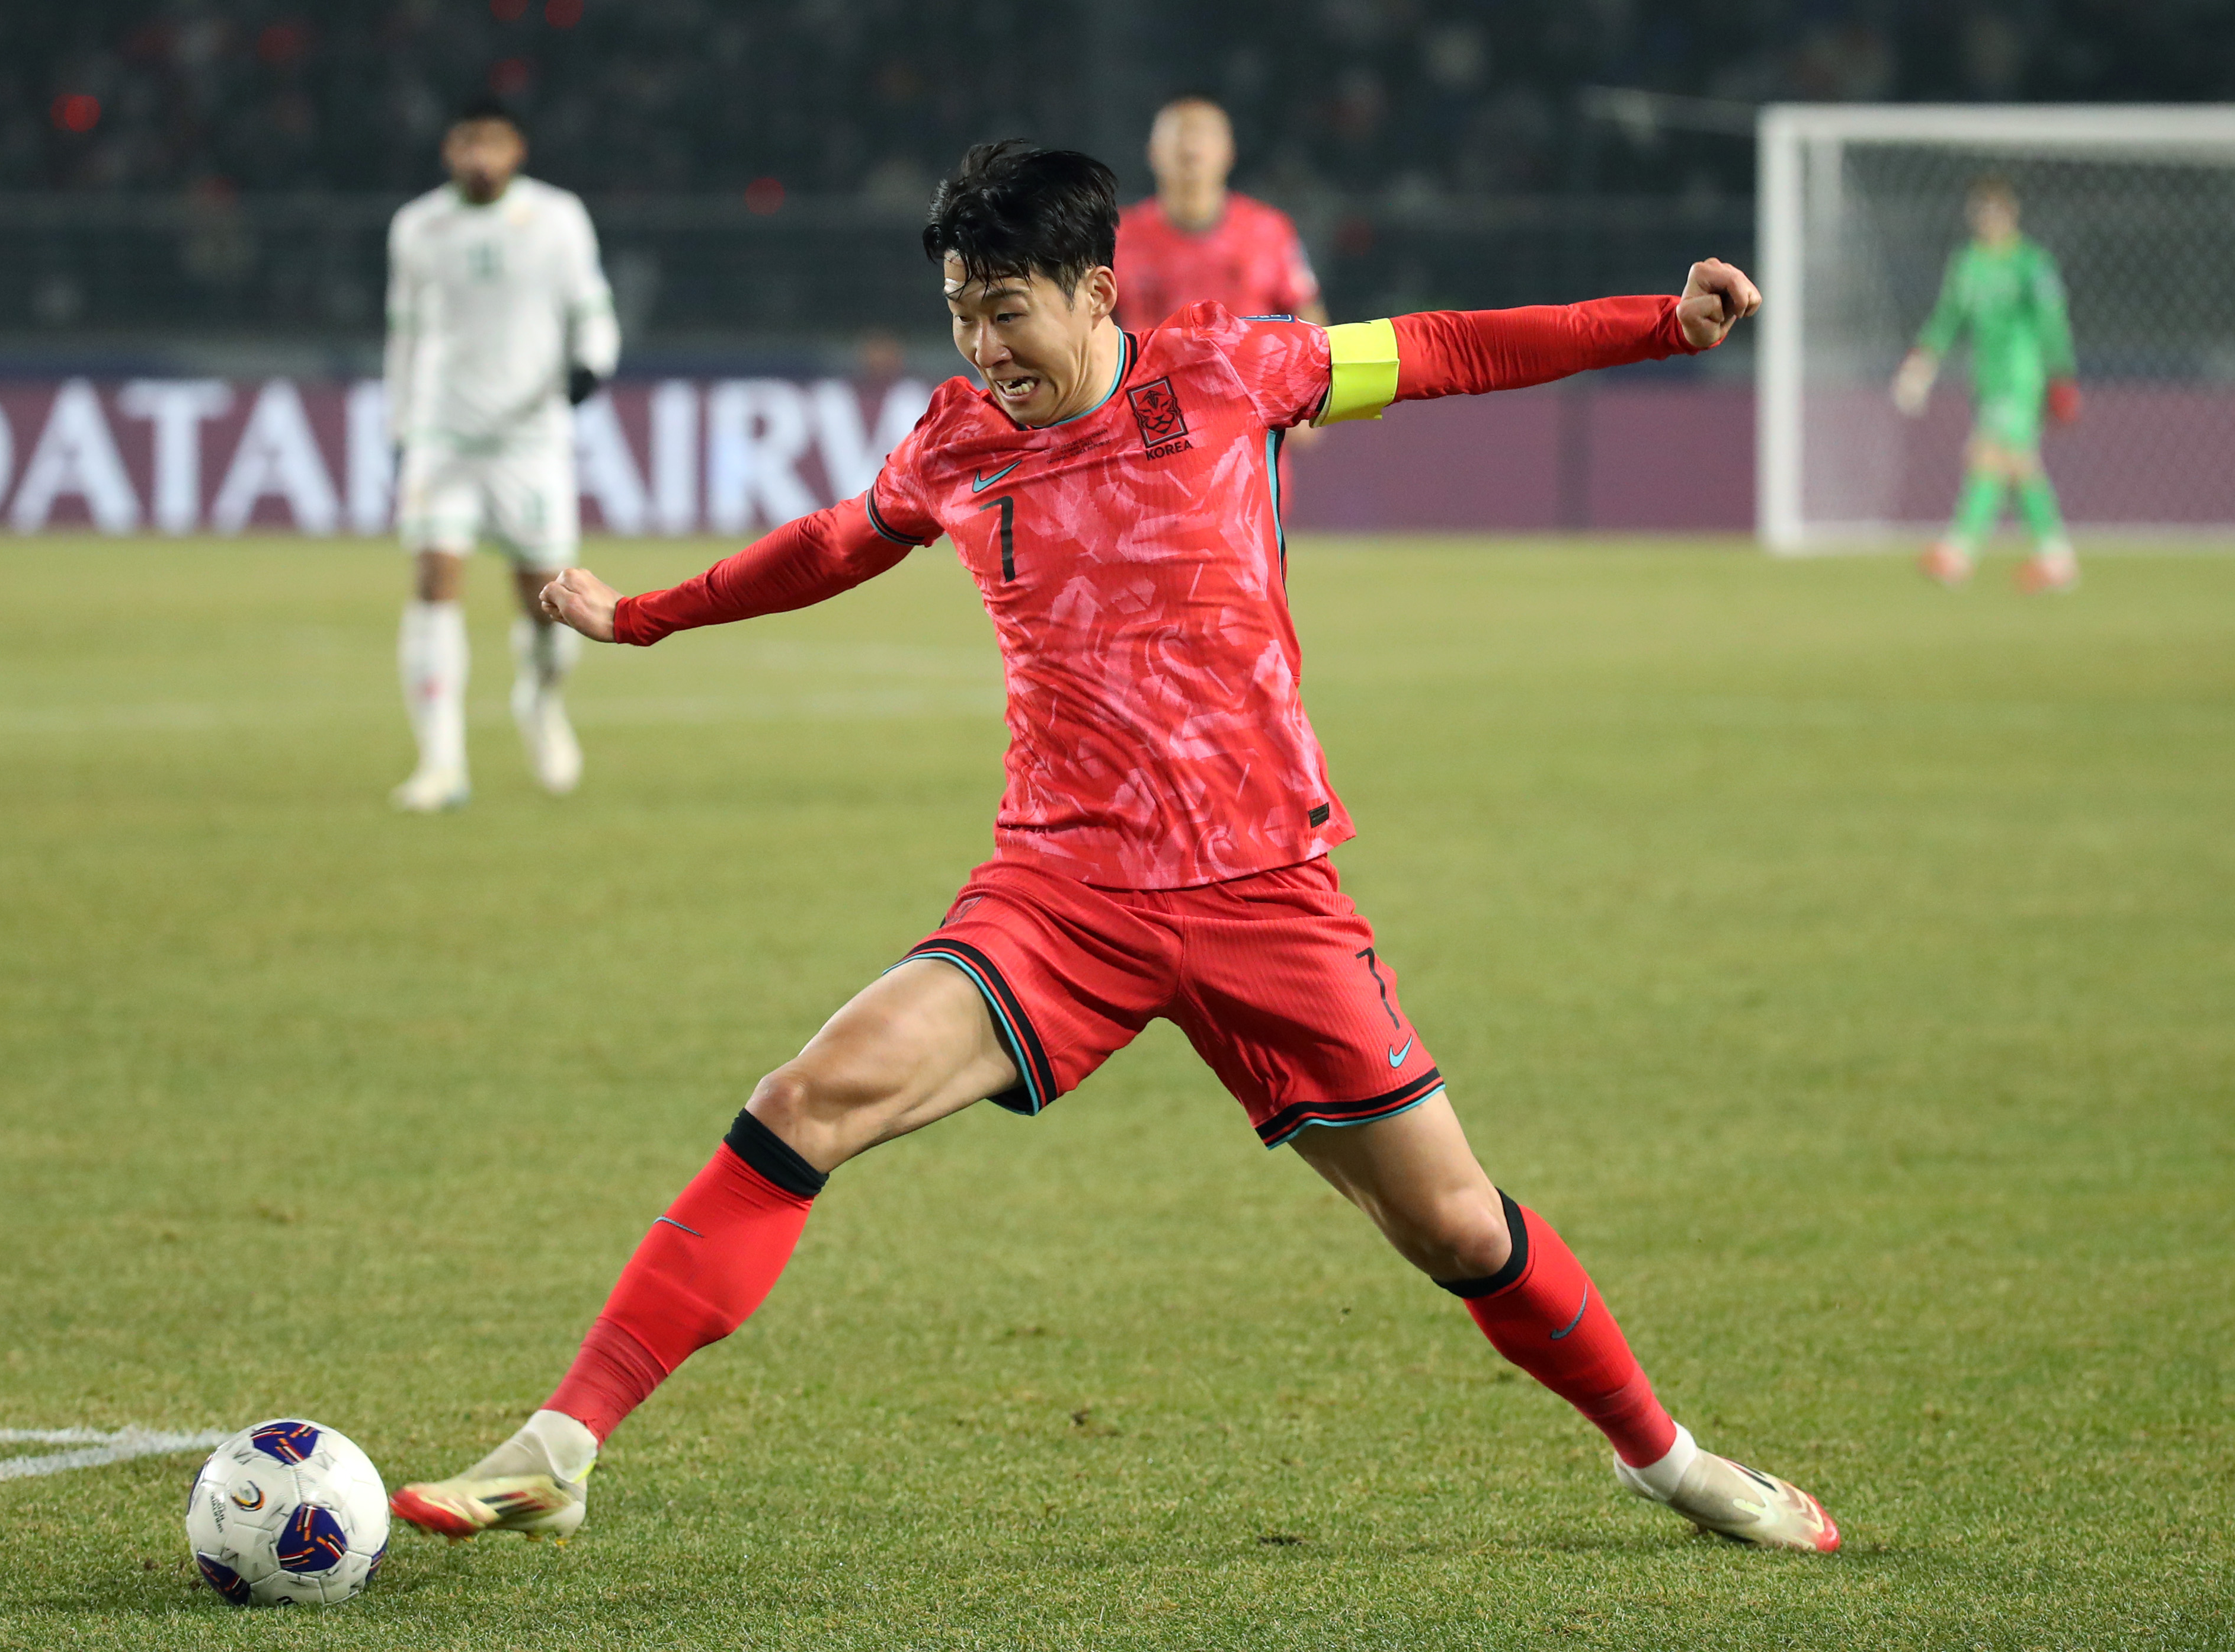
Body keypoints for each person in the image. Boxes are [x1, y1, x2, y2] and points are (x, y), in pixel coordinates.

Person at [389, 142, 1840, 1554]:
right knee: (806, 1097)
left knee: (1459, 1230)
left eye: (1003, 306)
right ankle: (561, 1445)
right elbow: (834, 542)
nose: (978, 343)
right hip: (1061, 894)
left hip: (1264, 887)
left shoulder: (1233, 375)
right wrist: (642, 615)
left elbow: (1446, 345)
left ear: (1095, 290)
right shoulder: (953, 443)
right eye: (958, 308)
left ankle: (1670, 1460)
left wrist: (1667, 323)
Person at [385, 93, 622, 812]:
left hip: (529, 437)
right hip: (442, 433)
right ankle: (440, 763)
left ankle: (540, 703)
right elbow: (404, 333)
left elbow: (592, 310)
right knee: (433, 579)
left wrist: (592, 365)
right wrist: (400, 426)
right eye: (465, 142)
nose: (477, 157)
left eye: (490, 142)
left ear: (516, 149)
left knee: (547, 601)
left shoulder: (556, 218)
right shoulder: (417, 227)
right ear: (447, 151)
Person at [1894, 177, 2080, 594]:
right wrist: (1922, 361)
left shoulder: (2031, 262)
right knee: (2014, 464)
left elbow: (2051, 321)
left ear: (2011, 215)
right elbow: (1948, 317)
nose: (1989, 222)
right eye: (1981, 214)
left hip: (2021, 374)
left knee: (1990, 455)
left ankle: (1959, 552)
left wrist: (2061, 374)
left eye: (1996, 213)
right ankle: (2054, 556)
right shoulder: (1968, 263)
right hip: (1986, 376)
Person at [1113, 97, 1326, 331]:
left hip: (1250, 367)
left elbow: (1311, 323)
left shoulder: (1268, 230)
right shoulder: (1116, 237)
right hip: (1149, 368)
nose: (1191, 149)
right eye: (1177, 136)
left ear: (1229, 151)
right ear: (1152, 152)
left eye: (1204, 135)